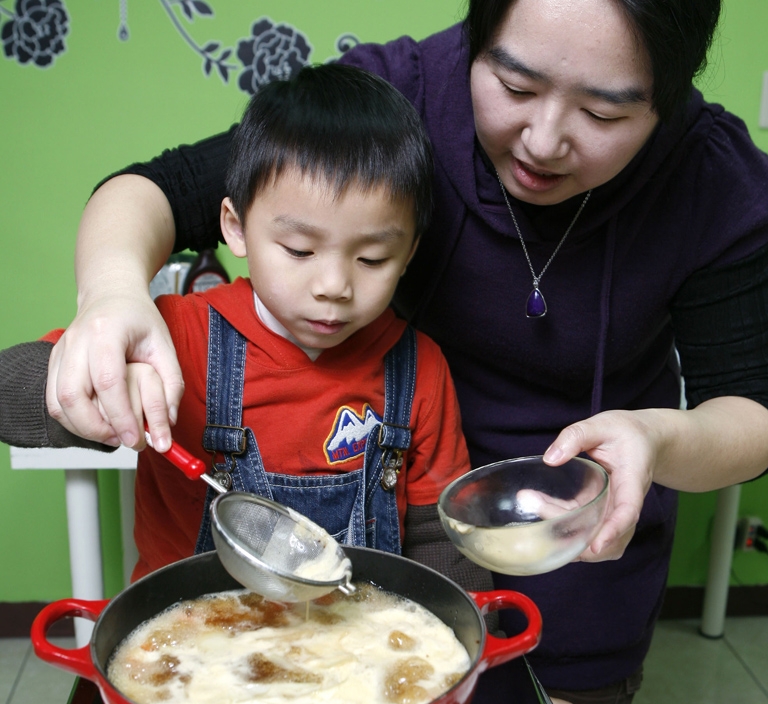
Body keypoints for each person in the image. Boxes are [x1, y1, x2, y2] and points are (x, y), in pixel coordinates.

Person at [42, 0, 768, 704]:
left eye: (603, 113)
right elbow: (160, 190)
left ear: (670, 95)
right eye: (513, 85)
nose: (542, 140)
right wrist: (111, 298)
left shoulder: (712, 179)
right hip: (338, 597)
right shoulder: (398, 106)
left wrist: (657, 438)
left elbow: (755, 412)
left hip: (572, 578)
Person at [0, 63, 492, 593]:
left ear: (410, 252)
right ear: (235, 228)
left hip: (351, 652)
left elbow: (443, 542)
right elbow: (10, 391)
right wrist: (99, 384)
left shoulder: (419, 370)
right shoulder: (175, 338)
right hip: (190, 642)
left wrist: (466, 640)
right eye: (300, 250)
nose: (333, 285)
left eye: (372, 258)